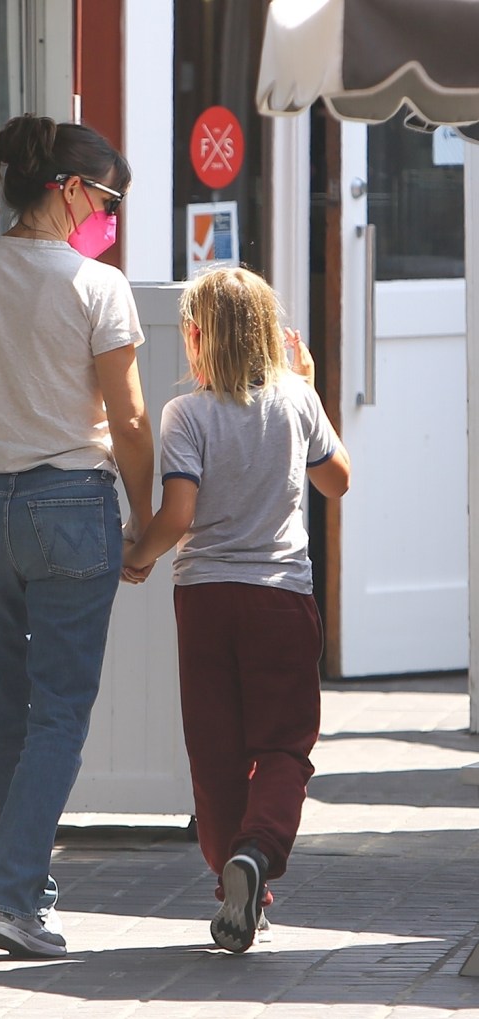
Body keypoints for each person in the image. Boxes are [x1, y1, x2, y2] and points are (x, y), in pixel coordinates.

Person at [0, 114, 154, 959]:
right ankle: (14, 899)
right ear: (69, 190)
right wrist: (144, 519)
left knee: (3, 712)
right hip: (71, 506)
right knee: (59, 713)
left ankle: (17, 891)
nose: (109, 212)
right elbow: (126, 418)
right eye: (107, 196)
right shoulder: (99, 286)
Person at [123, 266, 350, 954]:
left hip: (206, 599)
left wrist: (142, 553)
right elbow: (337, 481)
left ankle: (234, 886)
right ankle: (258, 851)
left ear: (196, 337)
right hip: (281, 595)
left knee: (215, 751)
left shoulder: (185, 413)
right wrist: (308, 390)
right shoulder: (296, 399)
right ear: (270, 337)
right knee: (283, 744)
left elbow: (180, 511)